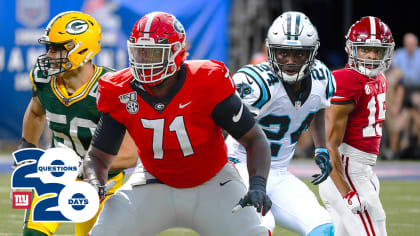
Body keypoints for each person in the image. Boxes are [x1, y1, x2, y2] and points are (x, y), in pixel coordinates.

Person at [83, 11, 272, 236]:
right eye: (140, 52)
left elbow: (254, 139)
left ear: (176, 53)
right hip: (153, 181)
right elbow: (98, 157)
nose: (144, 61)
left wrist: (258, 184)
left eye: (153, 53)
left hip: (214, 182)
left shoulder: (206, 81)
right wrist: (95, 182)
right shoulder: (119, 90)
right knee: (104, 232)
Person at [17, 11, 138, 236]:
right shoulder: (43, 78)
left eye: (57, 48)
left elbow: (130, 155)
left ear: (82, 49)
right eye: (49, 48)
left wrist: (84, 167)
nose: (49, 55)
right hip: (57, 173)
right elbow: (36, 113)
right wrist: (27, 146)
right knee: (34, 234)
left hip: (103, 183)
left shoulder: (112, 89)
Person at [225, 11, 335, 235]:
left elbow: (318, 107)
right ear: (271, 51)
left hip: (278, 171)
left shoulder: (321, 78)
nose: (290, 60)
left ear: (312, 53)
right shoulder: (255, 84)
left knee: (324, 227)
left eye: (298, 54)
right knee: (260, 227)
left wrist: (321, 147)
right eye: (283, 53)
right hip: (239, 165)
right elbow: (220, 124)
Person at [318, 16, 395, 236]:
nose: (372, 56)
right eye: (365, 50)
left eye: (377, 51)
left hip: (362, 170)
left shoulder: (379, 78)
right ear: (352, 50)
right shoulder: (348, 81)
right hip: (346, 170)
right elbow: (329, 146)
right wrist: (347, 192)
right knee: (375, 228)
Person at [385, 32, 420, 158]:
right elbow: (394, 75)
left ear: (416, 44)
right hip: (401, 90)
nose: (409, 46)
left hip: (416, 90)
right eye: (407, 44)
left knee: (415, 107)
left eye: (412, 44)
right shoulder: (399, 54)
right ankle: (395, 150)